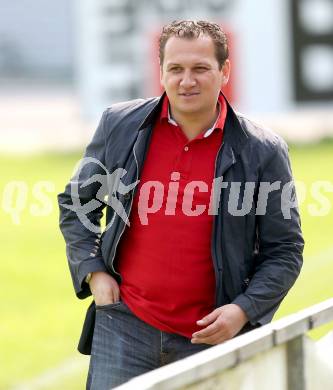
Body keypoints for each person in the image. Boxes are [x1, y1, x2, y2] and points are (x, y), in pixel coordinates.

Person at [58, 20, 304, 389]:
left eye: (200, 68)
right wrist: (94, 271)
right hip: (124, 327)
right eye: (176, 69)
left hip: (211, 340)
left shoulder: (262, 151)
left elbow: (285, 250)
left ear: (224, 71)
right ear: (161, 72)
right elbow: (78, 202)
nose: (186, 80)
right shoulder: (119, 125)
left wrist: (243, 310)